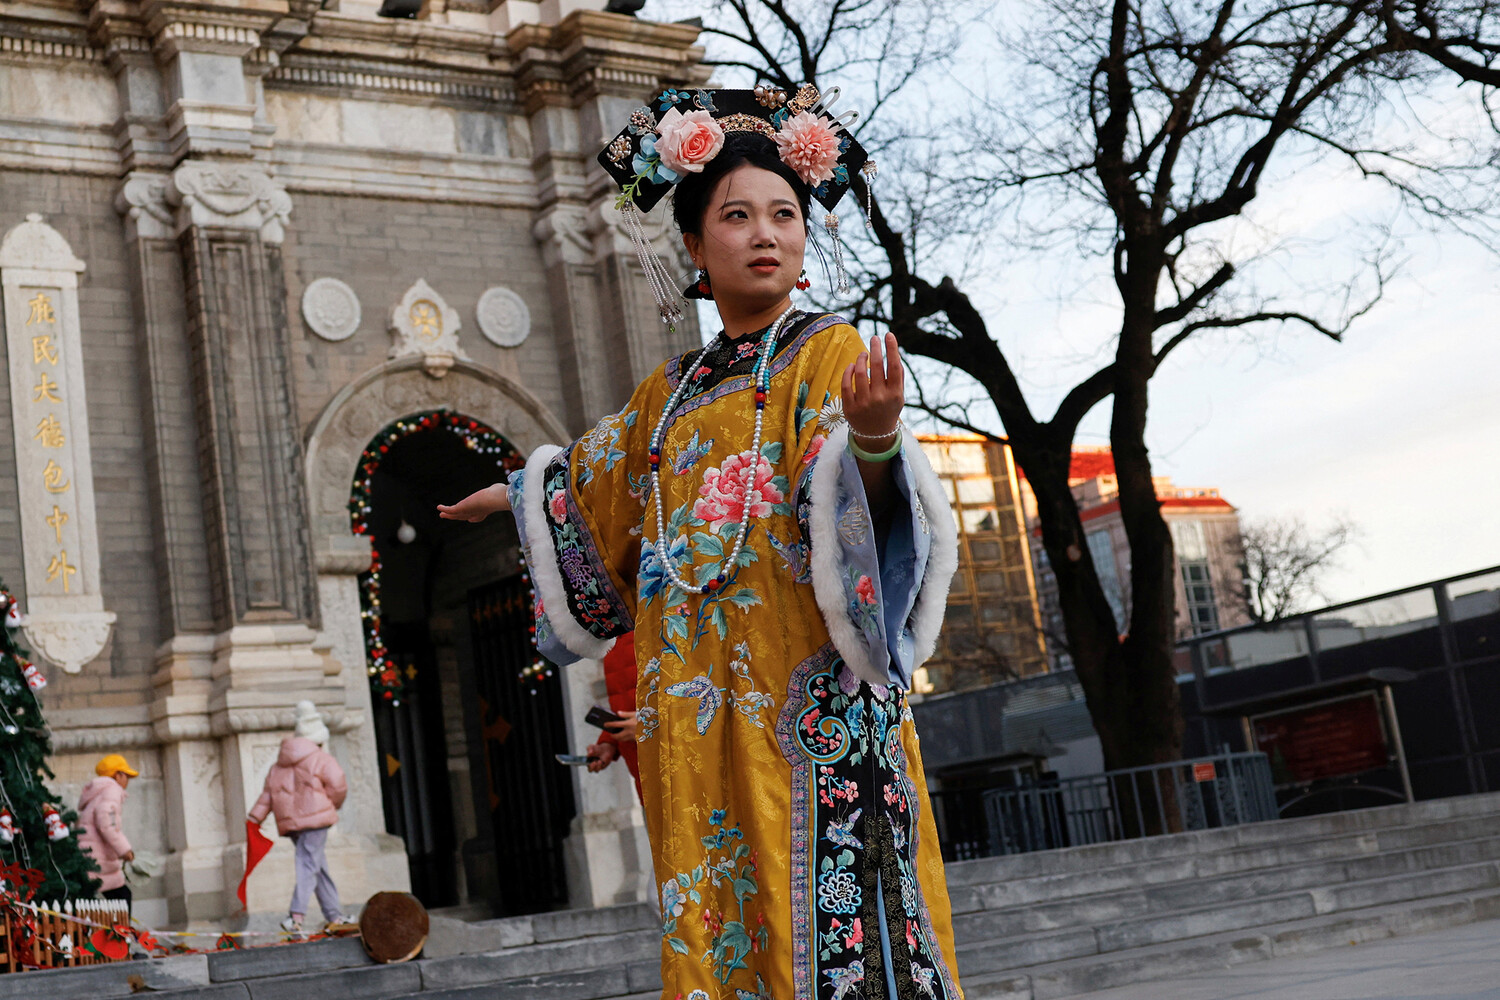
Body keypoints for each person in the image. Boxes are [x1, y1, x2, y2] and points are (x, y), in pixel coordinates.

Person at [440, 85, 963, 1000]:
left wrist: (876, 439)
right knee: (718, 923)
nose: (766, 233)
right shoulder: (670, 394)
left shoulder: (827, 355)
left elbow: (863, 512)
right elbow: (592, 483)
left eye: (784, 214)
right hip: (697, 717)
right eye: (736, 216)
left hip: (811, 711)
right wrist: (518, 493)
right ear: (691, 244)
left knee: (833, 935)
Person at [247, 704, 353, 936]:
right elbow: (338, 785)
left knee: (316, 866)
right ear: (317, 738)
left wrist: (256, 816)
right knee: (309, 865)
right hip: (316, 820)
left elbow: (268, 793)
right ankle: (295, 917)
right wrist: (331, 805)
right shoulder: (321, 759)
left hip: (291, 822)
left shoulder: (279, 764)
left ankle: (334, 915)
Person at [587, 632, 642, 802]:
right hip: (645, 779)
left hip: (686, 776)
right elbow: (625, 703)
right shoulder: (611, 639)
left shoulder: (663, 615)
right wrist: (610, 742)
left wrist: (650, 726)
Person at [77, 753, 138, 907]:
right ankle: (120, 931)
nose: (127, 781)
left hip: (90, 854)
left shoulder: (97, 792)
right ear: (117, 775)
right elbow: (106, 823)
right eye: (126, 776)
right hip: (99, 859)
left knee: (90, 900)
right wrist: (124, 850)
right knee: (122, 897)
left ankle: (111, 930)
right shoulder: (112, 790)